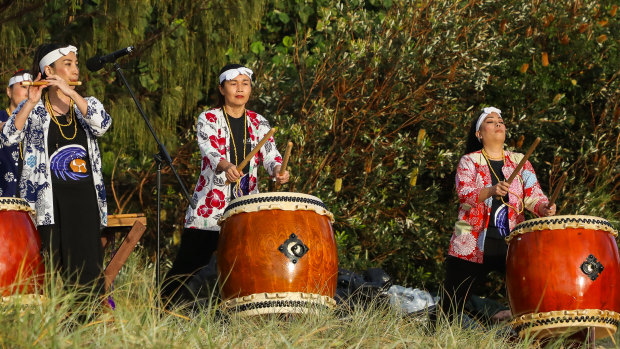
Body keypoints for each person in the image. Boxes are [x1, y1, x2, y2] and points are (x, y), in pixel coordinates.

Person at [162, 64, 290, 304]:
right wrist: (226, 166)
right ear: (222, 89)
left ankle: (237, 313)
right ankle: (162, 307)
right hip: (210, 208)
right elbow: (209, 151)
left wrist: (277, 171)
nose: (240, 89)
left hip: (246, 209)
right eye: (233, 84)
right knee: (188, 264)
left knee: (245, 266)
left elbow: (271, 155)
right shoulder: (208, 118)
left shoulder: (259, 122)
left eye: (245, 83)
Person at [0, 44, 112, 293]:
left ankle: (87, 325)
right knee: (47, 269)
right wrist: (29, 103)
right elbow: (8, 137)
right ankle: (48, 328)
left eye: (76, 63)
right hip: (48, 204)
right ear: (49, 70)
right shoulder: (35, 109)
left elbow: (102, 125)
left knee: (88, 272)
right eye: (68, 64)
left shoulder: (85, 104)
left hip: (85, 201)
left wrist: (71, 95)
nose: (75, 70)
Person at [441, 107, 556, 323]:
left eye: (500, 121)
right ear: (479, 134)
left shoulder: (520, 160)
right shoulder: (469, 161)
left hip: (512, 240)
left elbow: (534, 196)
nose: (498, 124)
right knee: (451, 302)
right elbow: (465, 196)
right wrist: (492, 190)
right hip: (469, 238)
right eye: (491, 121)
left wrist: (544, 208)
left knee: (528, 296)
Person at [0, 69, 32, 197]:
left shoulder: (38, 122)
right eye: (24, 87)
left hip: (30, 199)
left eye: (32, 87)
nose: (28, 91)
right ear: (9, 91)